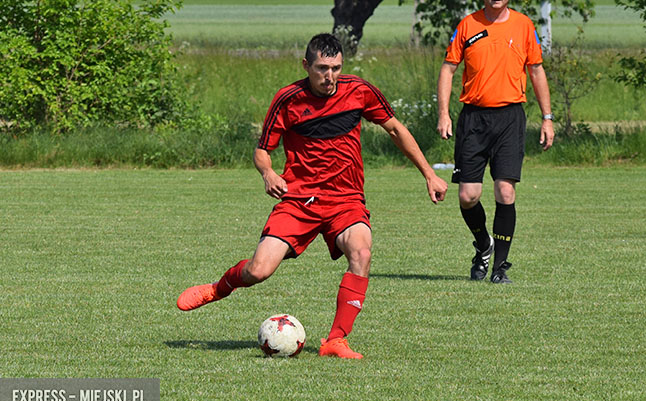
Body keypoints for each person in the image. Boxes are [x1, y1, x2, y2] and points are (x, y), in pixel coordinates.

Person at [177, 33, 448, 359]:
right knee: (259, 270)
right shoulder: (288, 99)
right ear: (306, 65)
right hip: (299, 201)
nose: (329, 76)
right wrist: (268, 173)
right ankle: (218, 289)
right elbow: (262, 151)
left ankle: (336, 340)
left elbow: (395, 129)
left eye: (335, 68)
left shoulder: (359, 91)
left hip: (345, 200)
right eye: (322, 68)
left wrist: (430, 175)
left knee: (361, 253)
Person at [436, 0, 554, 284]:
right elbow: (448, 70)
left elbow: (537, 72)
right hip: (473, 118)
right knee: (468, 196)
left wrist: (547, 117)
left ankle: (500, 268)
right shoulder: (467, 25)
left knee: (505, 191)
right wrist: (444, 113)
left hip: (510, 118)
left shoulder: (524, 25)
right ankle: (483, 244)